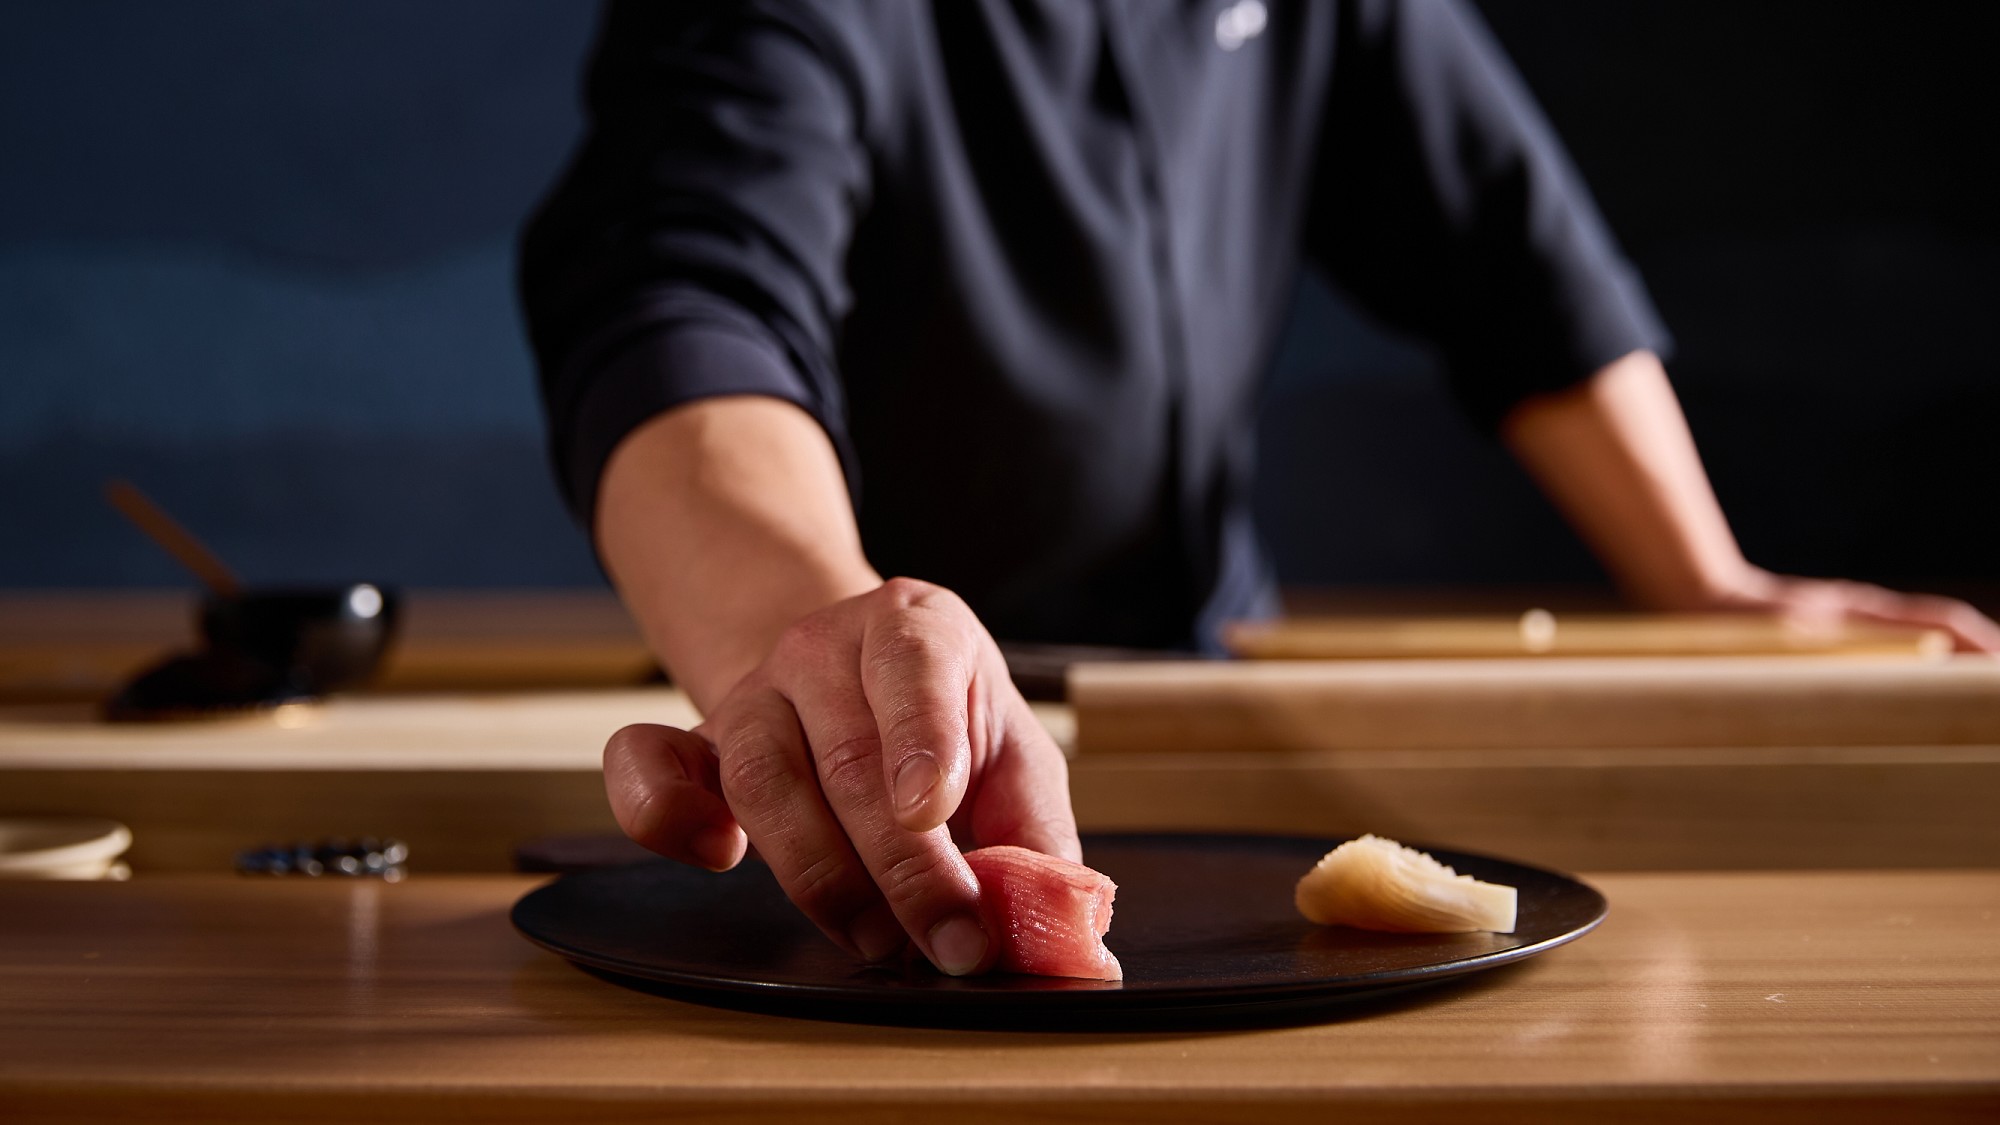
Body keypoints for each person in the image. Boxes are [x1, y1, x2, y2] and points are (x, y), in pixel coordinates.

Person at [518, 0, 2000, 977]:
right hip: (841, 731)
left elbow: (1511, 253)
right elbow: (677, 299)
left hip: (1200, 668)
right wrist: (816, 626)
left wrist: (1710, 578)